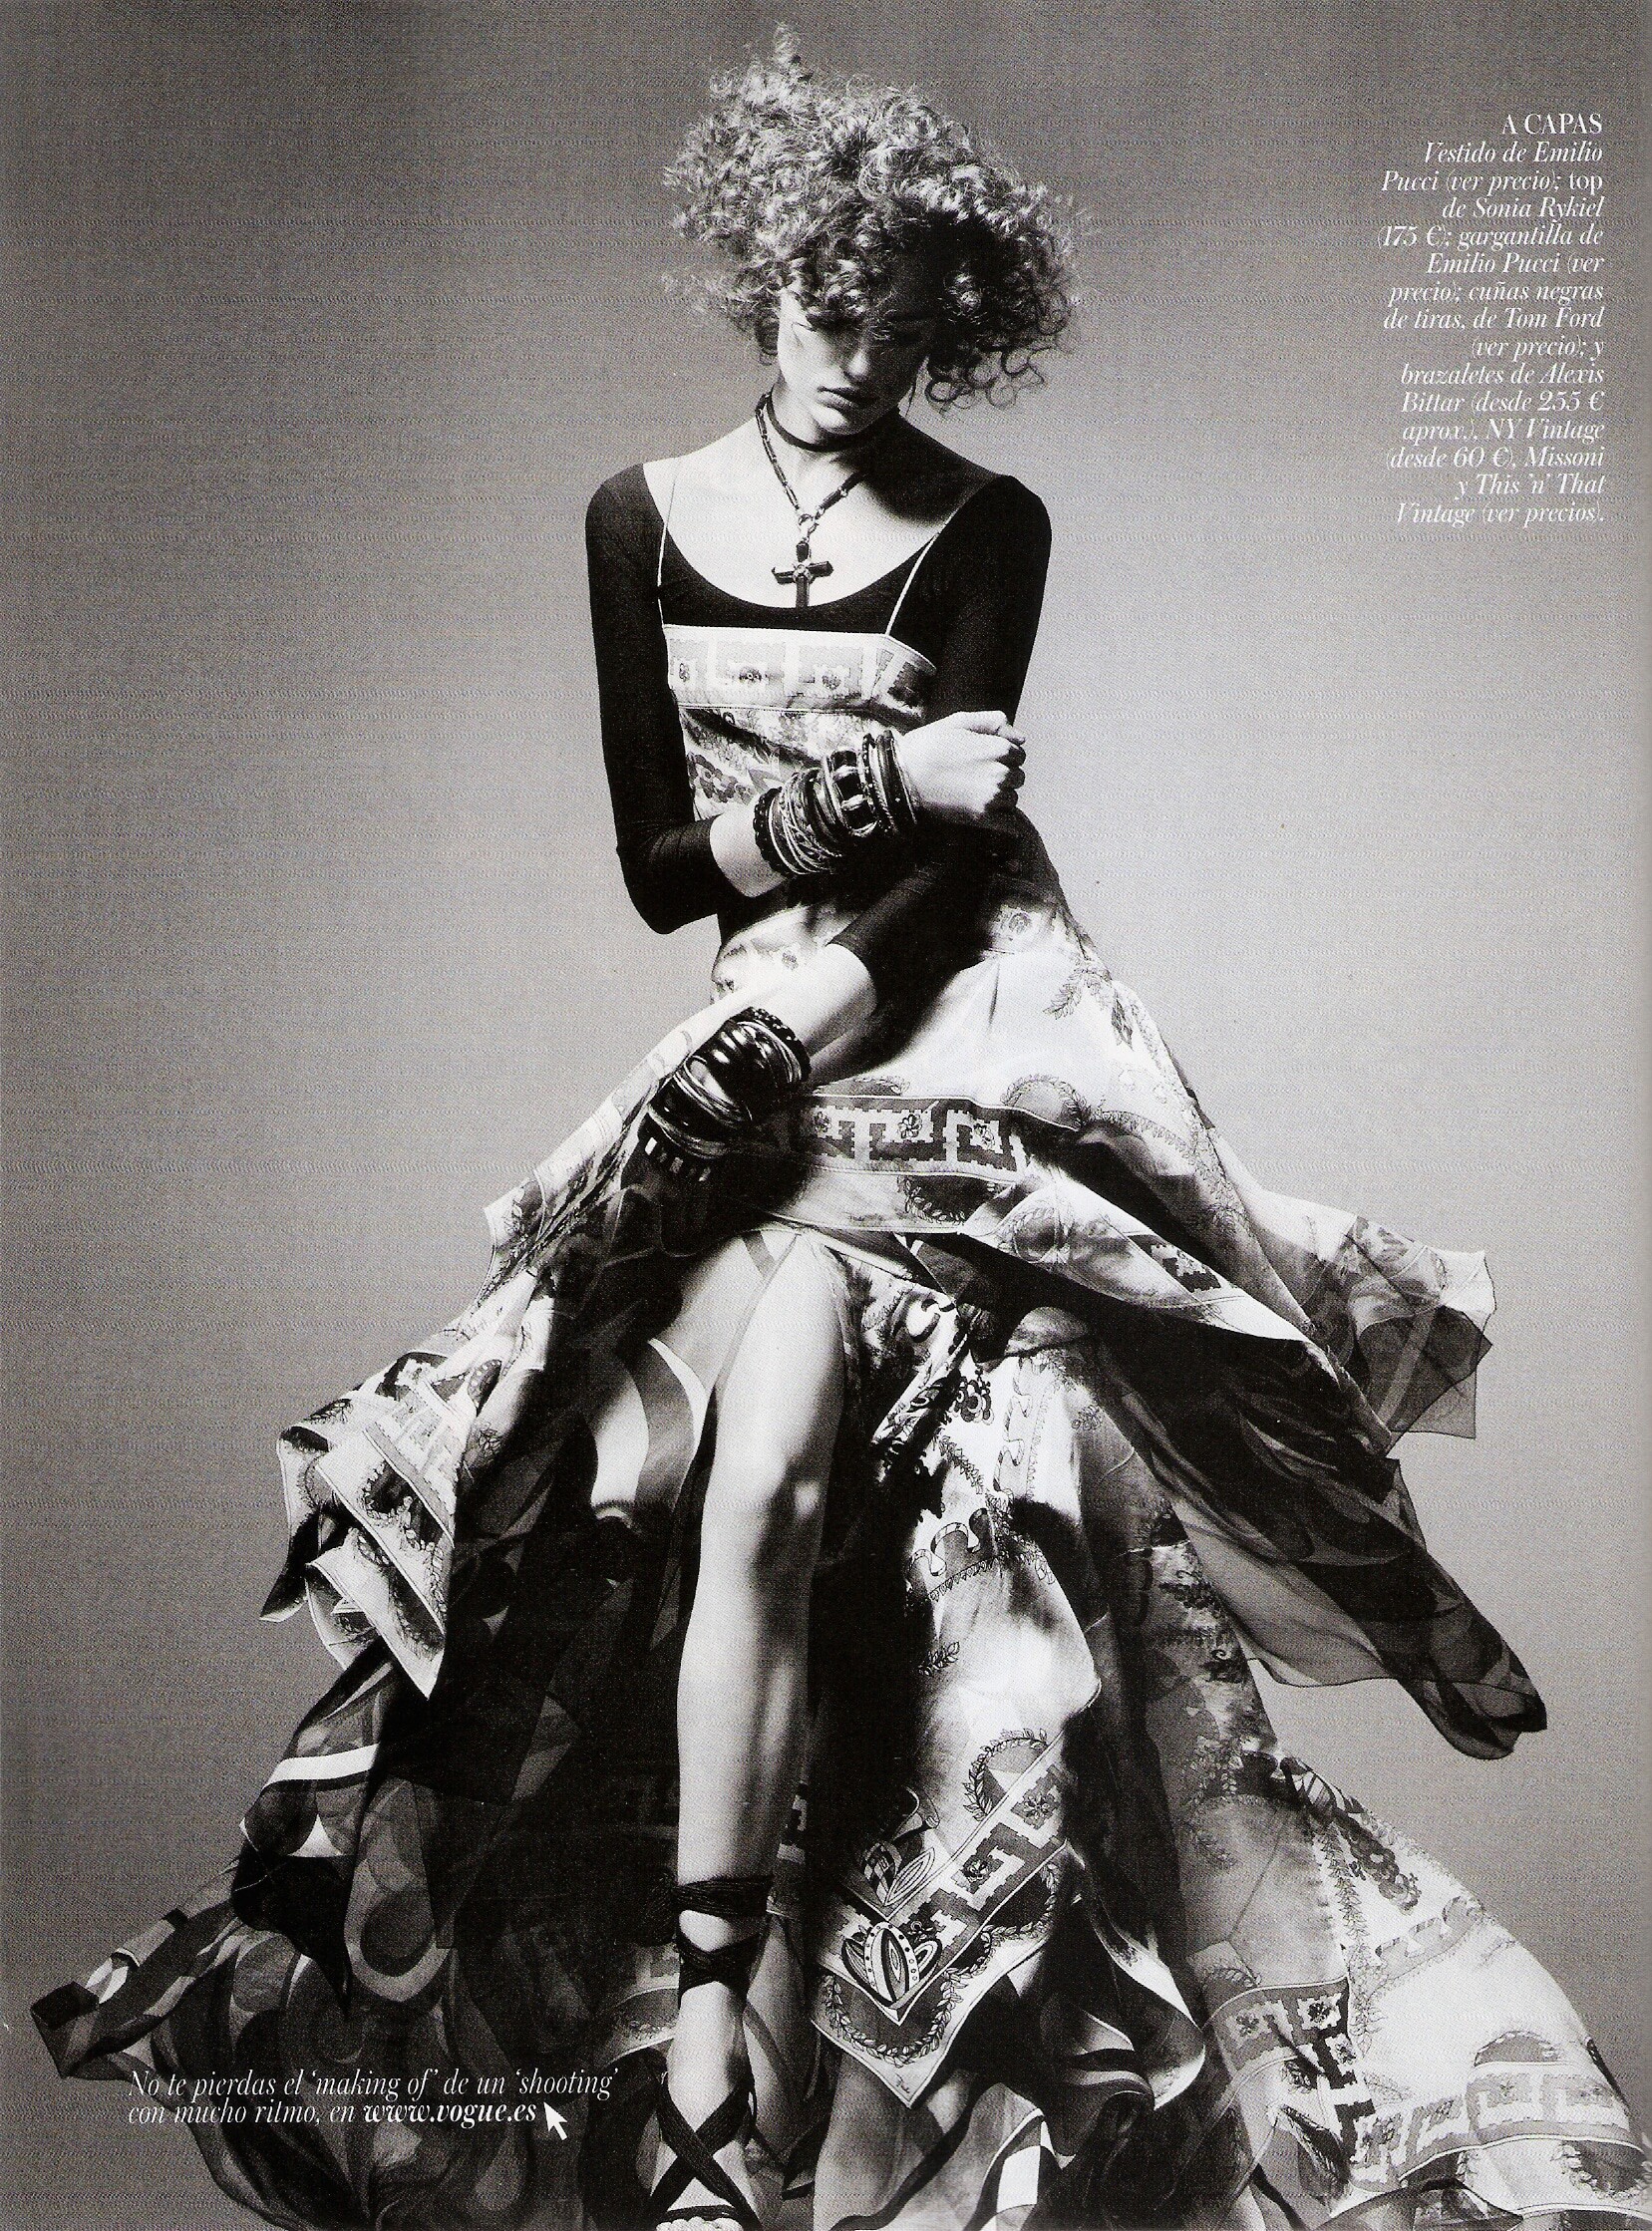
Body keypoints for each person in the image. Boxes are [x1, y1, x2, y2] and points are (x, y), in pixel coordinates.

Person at [32, 34, 1652, 2231]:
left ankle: (743, 2050)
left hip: (955, 1033)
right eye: (820, 307)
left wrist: (824, 977)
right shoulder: (635, 519)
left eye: (896, 324)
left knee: (838, 1472)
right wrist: (877, 785)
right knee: (603, 1478)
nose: (850, 356)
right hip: (749, 1053)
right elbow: (659, 867)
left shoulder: (989, 525)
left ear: (946, 326)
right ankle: (712, 2036)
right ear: (758, 283)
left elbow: (954, 882)